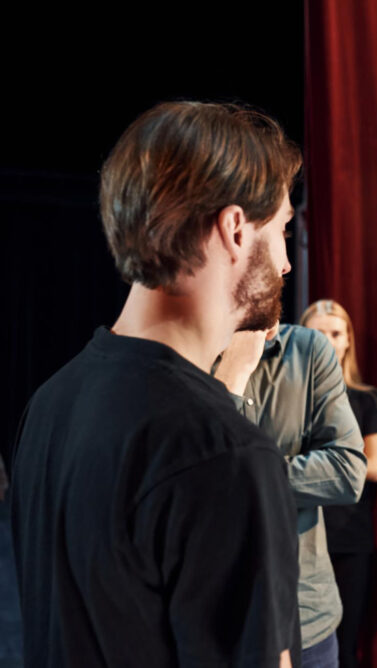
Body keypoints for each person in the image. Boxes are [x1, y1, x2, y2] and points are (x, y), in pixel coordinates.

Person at [10, 102, 303, 667]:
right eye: (285, 228)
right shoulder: (225, 452)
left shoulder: (50, 402)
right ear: (235, 229)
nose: (288, 262)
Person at [213, 319, 367, 668]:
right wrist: (231, 378)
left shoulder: (308, 350)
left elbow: (347, 473)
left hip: (308, 615)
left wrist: (241, 475)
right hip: (218, 617)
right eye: (269, 259)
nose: (284, 265)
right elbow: (188, 487)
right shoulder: (187, 354)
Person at [300, 299, 377, 668]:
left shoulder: (366, 399)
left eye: (335, 333)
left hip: (350, 535)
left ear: (348, 341)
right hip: (300, 535)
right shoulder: (289, 396)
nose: (327, 341)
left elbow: (375, 466)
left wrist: (309, 465)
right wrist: (339, 463)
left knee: (345, 644)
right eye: (318, 333)